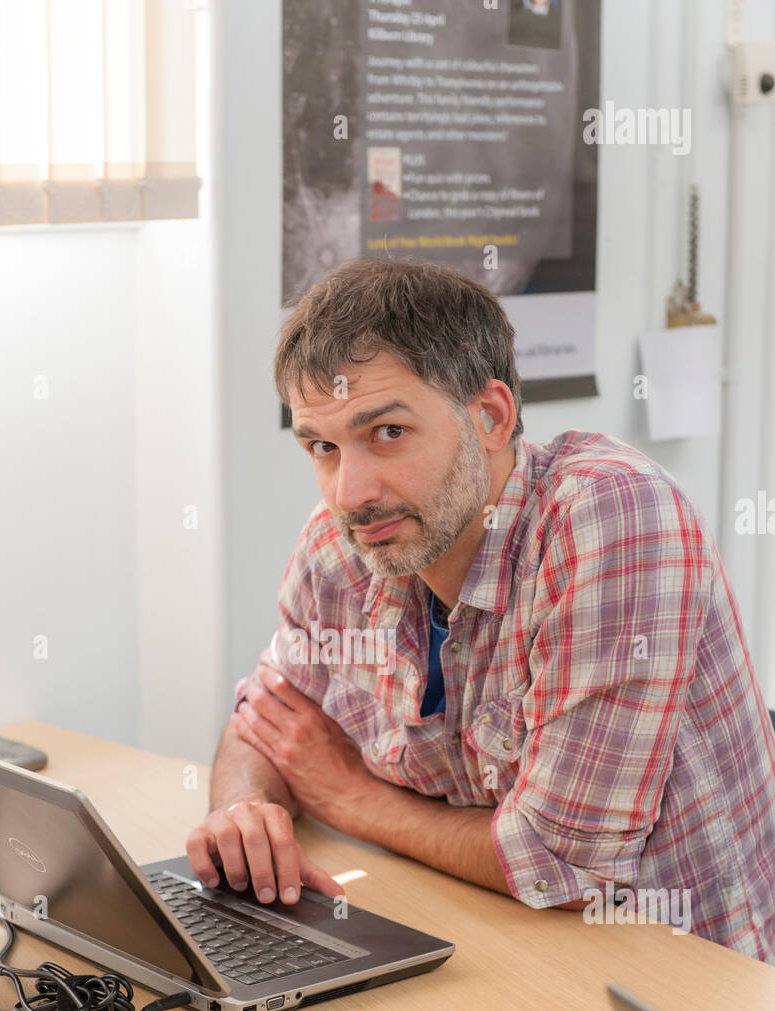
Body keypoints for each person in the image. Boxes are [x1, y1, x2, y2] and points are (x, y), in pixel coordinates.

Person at [186, 256, 775, 961]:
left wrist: (347, 797)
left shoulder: (611, 515)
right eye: (323, 446)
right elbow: (265, 722)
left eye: (387, 433)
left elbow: (563, 868)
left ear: (491, 417)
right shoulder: (346, 540)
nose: (350, 492)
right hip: (477, 943)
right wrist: (242, 812)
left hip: (677, 983)